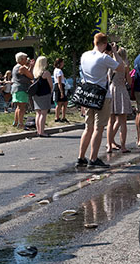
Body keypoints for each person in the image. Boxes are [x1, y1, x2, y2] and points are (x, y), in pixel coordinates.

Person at [76, 33, 121, 169]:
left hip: (88, 94)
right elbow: (121, 68)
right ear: (105, 43)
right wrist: (114, 52)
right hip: (102, 95)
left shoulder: (84, 55)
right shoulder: (104, 58)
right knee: (99, 127)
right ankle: (93, 158)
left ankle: (81, 157)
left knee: (88, 127)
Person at [108, 47, 132, 154]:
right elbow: (129, 81)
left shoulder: (109, 65)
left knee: (111, 121)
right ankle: (123, 146)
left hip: (111, 91)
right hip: (121, 91)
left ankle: (109, 145)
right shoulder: (125, 66)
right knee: (123, 122)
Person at [31, 56, 52, 138]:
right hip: (44, 94)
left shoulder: (35, 73)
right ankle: (42, 132)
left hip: (36, 95)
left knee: (38, 113)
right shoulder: (46, 73)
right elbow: (51, 85)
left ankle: (38, 130)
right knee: (43, 113)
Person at [11, 52, 33, 130]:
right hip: (21, 88)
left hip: (15, 88)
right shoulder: (22, 67)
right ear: (21, 59)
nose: (27, 60)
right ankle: (21, 124)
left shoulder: (15, 67)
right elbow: (31, 76)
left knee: (18, 107)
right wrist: (31, 66)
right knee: (22, 108)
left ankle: (16, 122)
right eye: (25, 58)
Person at [52, 58, 68, 123]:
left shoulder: (57, 70)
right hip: (59, 87)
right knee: (59, 103)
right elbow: (59, 82)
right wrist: (61, 92)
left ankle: (63, 117)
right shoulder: (58, 71)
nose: (63, 64)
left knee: (65, 102)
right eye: (62, 62)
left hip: (61, 86)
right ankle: (57, 117)